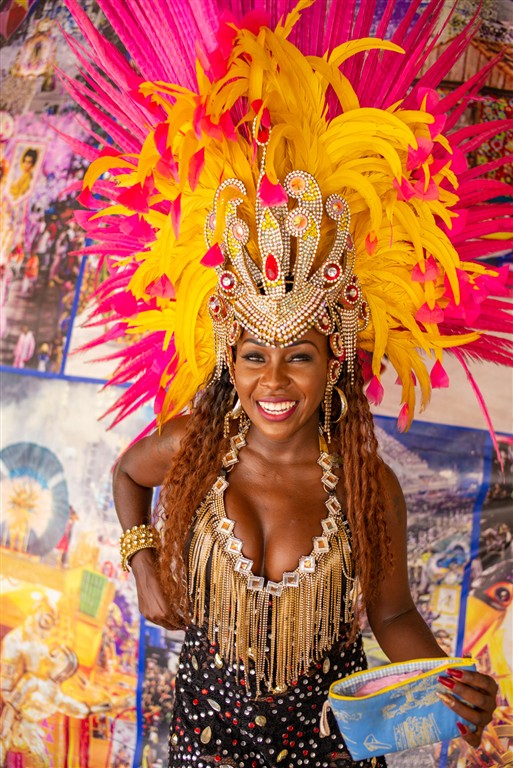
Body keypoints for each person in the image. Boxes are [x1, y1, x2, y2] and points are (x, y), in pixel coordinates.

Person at [70, 2, 512, 766]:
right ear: (229, 361)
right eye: (253, 356)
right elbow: (126, 475)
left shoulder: (366, 486)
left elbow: (391, 613)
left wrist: (452, 682)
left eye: (297, 357)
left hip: (323, 747)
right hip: (204, 740)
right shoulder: (192, 444)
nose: (272, 380)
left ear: (332, 361)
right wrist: (142, 565)